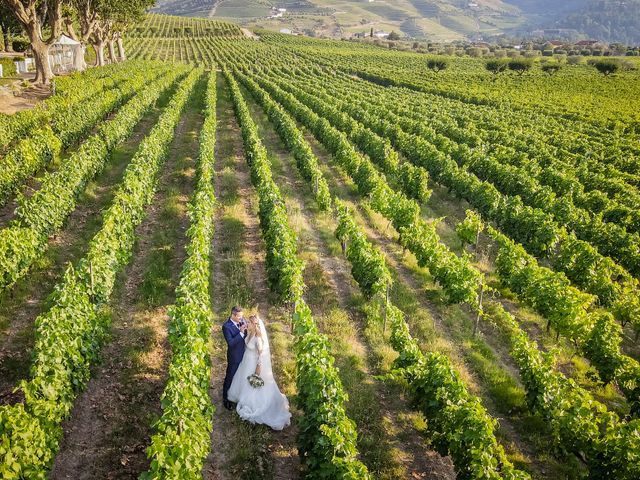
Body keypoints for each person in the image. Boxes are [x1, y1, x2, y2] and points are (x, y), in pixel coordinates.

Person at [227, 314, 291, 430]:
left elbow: (261, 356)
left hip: (252, 364)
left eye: (249, 323)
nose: (247, 324)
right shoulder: (250, 333)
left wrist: (257, 372)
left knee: (251, 386)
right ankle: (241, 397)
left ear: (254, 325)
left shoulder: (258, 339)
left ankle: (252, 404)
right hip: (245, 362)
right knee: (242, 380)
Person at [222, 305, 247, 410]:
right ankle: (225, 398)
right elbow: (231, 343)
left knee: (241, 376)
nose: (242, 319)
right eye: (239, 317)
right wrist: (241, 332)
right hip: (234, 356)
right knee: (230, 376)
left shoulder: (242, 320)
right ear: (233, 315)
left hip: (246, 354)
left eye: (242, 317)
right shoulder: (226, 326)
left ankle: (237, 395)